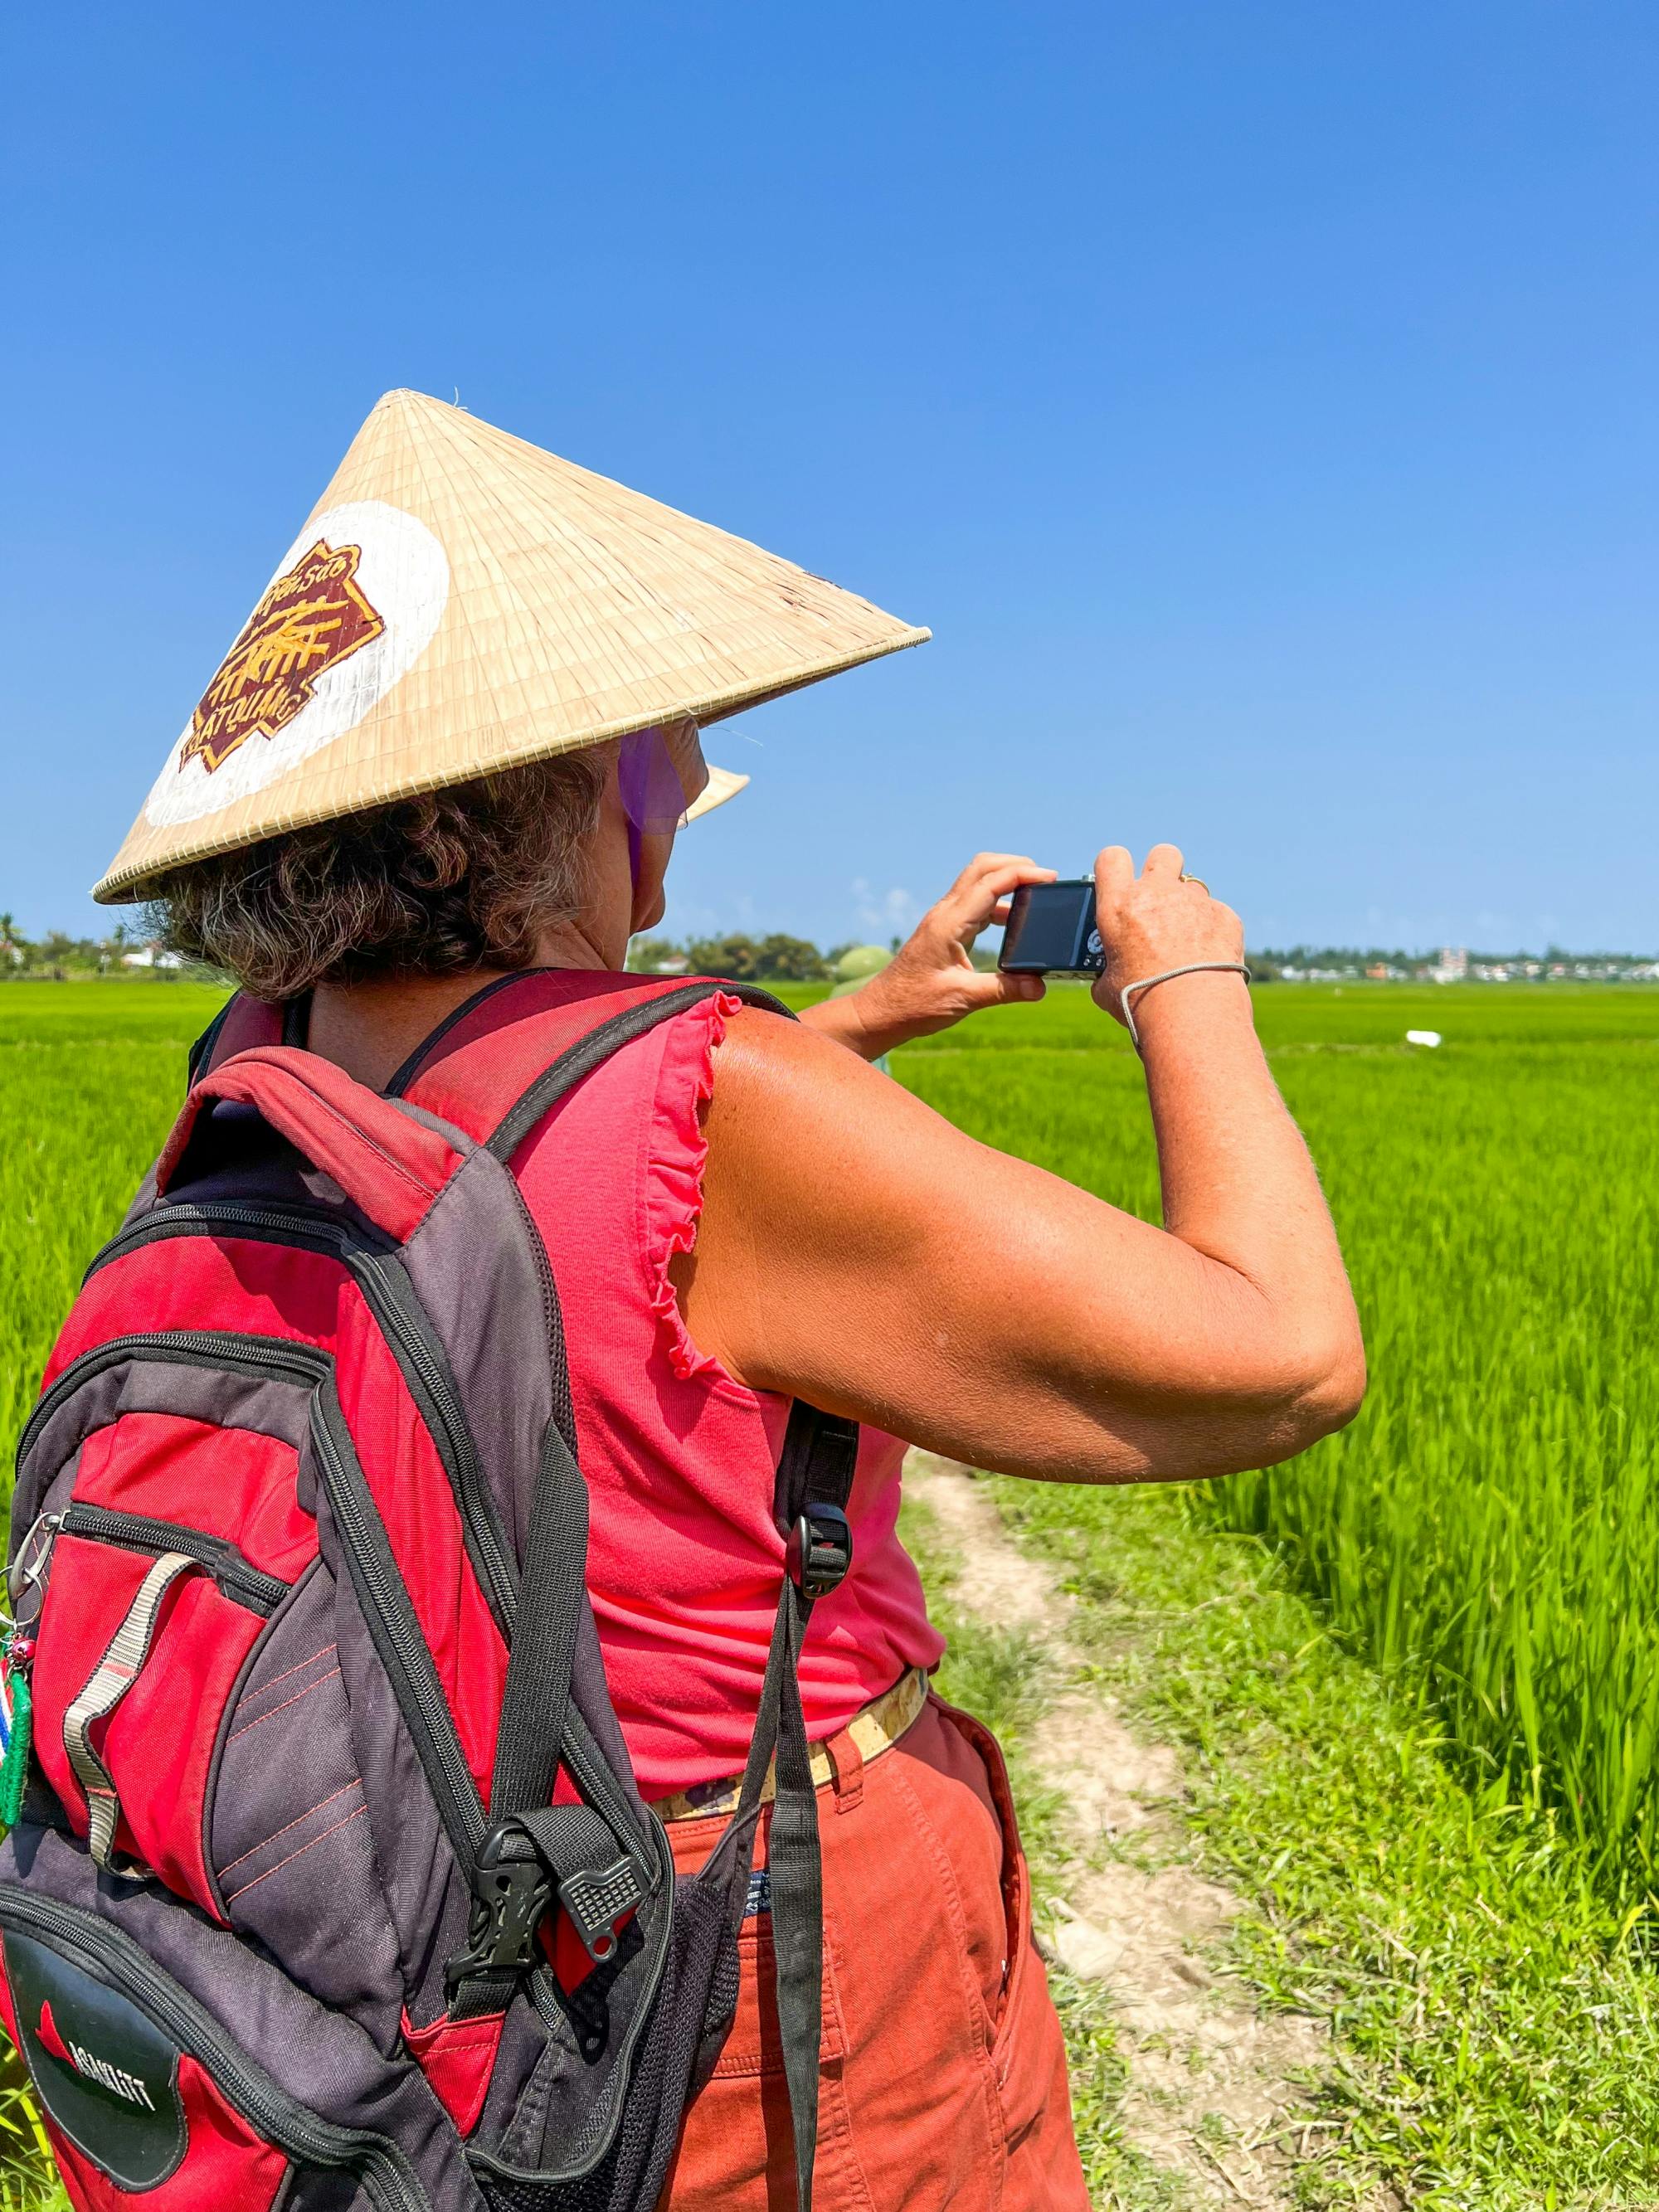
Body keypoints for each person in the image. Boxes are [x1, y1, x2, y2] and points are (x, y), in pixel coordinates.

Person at [93, 392, 1365, 2210]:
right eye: (665, 753)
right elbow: (1281, 1354)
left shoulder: (263, 1058)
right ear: (580, 790)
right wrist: (1195, 981)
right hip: (752, 1938)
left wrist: (862, 1022)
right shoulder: (713, 1089)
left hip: (451, 1915)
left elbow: (543, 1171)